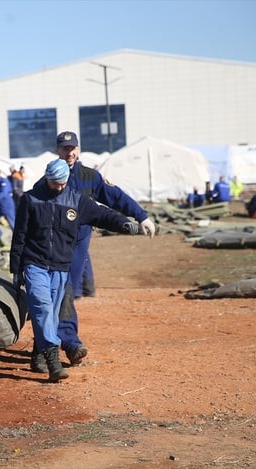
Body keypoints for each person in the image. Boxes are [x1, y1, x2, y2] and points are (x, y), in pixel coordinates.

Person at [10, 159, 139, 382]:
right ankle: (53, 360)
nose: (59, 187)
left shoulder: (76, 200)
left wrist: (124, 223)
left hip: (61, 267)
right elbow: (19, 235)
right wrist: (16, 267)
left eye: (62, 183)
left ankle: (39, 354)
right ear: (46, 178)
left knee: (51, 314)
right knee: (41, 308)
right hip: (35, 263)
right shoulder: (30, 199)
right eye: (54, 183)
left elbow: (101, 214)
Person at [51, 131, 155, 367]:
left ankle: (50, 341)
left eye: (73, 148)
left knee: (64, 292)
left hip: (79, 243)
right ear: (57, 150)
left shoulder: (90, 176)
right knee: (62, 290)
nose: (70, 152)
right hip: (54, 244)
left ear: (78, 148)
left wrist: (141, 216)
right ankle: (69, 342)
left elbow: (115, 197)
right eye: (65, 148)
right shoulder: (50, 177)